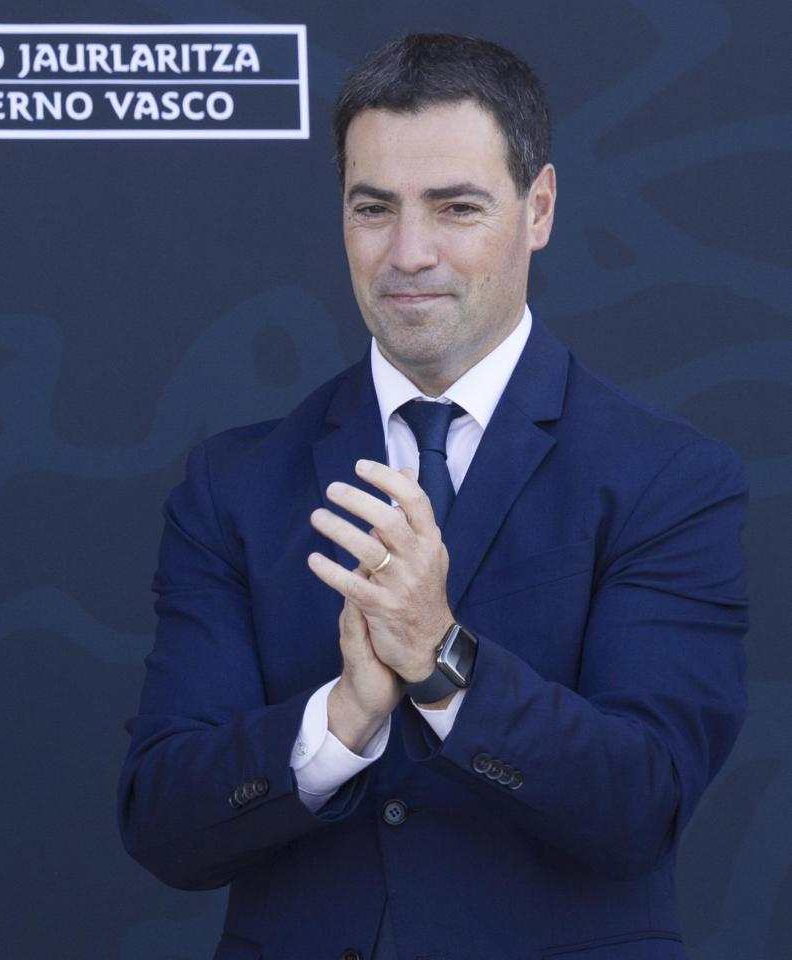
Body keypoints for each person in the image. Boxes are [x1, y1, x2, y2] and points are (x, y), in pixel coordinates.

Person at [118, 33, 747, 959]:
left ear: (538, 209)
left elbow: (643, 803)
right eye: (374, 208)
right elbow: (164, 821)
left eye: (456, 208)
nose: (408, 253)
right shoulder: (234, 485)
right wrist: (340, 723)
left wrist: (442, 661)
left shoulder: (668, 479)